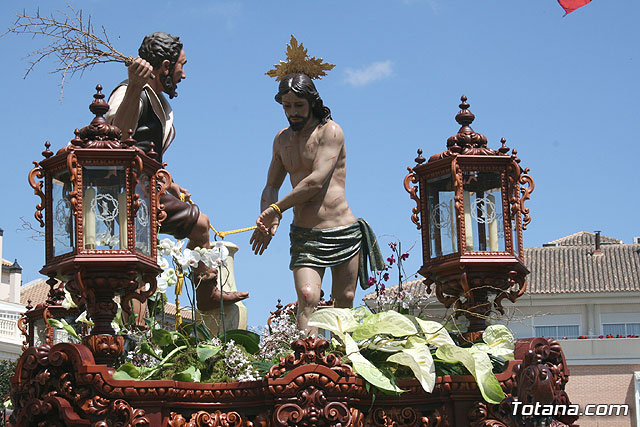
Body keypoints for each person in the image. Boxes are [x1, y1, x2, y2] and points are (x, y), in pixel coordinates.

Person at [106, 32, 248, 310]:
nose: (184, 74)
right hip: (127, 192)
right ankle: (137, 335)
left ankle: (206, 293)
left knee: (199, 224)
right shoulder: (130, 92)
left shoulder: (157, 99)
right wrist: (134, 86)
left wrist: (170, 185)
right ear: (166, 66)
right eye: (182, 65)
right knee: (138, 262)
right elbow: (117, 138)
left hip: (147, 186)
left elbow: (148, 153)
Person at [250, 72, 383, 331]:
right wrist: (268, 218)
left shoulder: (330, 132)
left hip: (342, 230)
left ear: (312, 101)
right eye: (287, 106)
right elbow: (271, 185)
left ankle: (343, 362)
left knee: (343, 300)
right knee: (308, 296)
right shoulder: (281, 140)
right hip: (305, 235)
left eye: (298, 105)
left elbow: (316, 182)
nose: (292, 112)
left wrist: (276, 208)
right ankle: (305, 362)